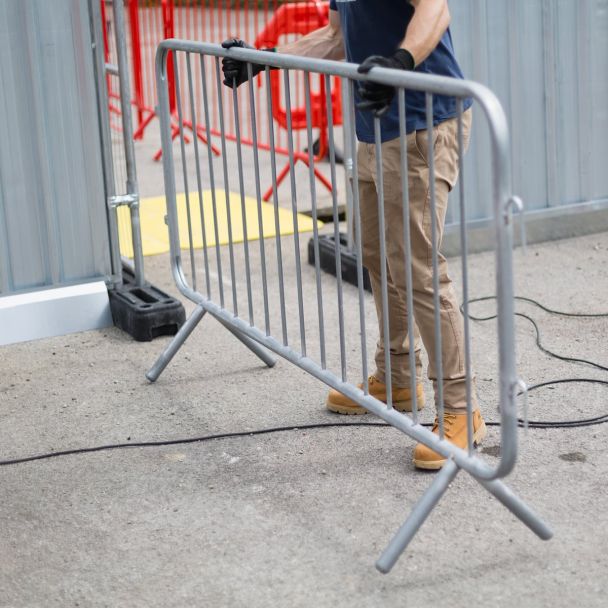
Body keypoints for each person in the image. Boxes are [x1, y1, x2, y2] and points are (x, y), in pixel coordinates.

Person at [221, 0, 486, 470]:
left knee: (417, 268)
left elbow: (434, 9)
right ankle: (397, 377)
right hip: (376, 130)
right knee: (378, 257)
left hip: (423, 124)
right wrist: (263, 58)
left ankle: (461, 410)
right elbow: (337, 36)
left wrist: (399, 63)